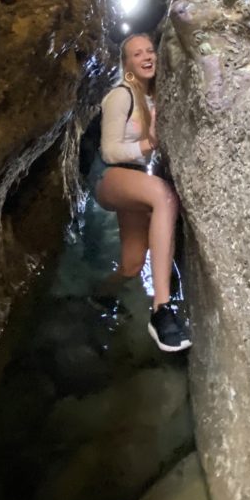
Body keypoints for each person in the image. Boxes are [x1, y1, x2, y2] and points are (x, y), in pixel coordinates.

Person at [92, 32, 192, 352]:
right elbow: (108, 152)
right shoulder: (122, 95)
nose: (147, 56)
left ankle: (99, 294)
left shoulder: (153, 97)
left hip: (132, 178)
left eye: (151, 50)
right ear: (127, 65)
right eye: (137, 54)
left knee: (133, 264)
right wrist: (150, 143)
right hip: (106, 176)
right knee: (164, 196)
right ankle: (161, 310)